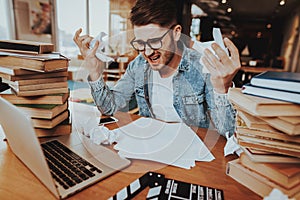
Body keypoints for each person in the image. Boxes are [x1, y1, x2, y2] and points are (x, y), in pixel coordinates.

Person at [73, 0, 241, 137]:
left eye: (154, 42)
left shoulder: (203, 66)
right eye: (140, 43)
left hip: (194, 155)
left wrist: (221, 88)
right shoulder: (138, 66)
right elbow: (111, 107)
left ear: (176, 33)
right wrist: (95, 72)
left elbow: (227, 131)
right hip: (152, 147)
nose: (146, 52)